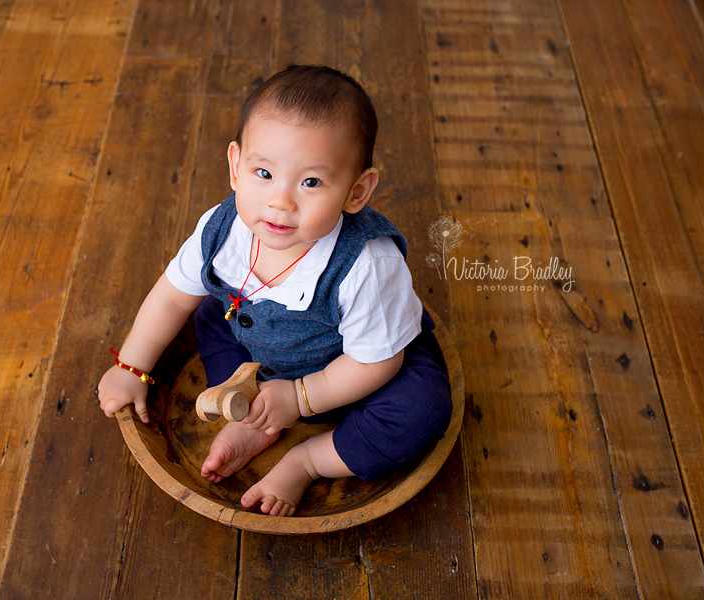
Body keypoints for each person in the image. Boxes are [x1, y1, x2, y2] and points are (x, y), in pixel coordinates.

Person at [97, 65, 452, 517]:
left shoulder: (368, 265)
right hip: (258, 348)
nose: (280, 200)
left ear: (356, 191)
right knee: (208, 313)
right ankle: (250, 413)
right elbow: (170, 296)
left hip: (351, 368)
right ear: (235, 165)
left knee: (422, 407)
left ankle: (307, 460)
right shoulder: (221, 231)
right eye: (263, 172)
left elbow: (376, 361)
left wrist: (301, 397)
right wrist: (132, 365)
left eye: (311, 182)